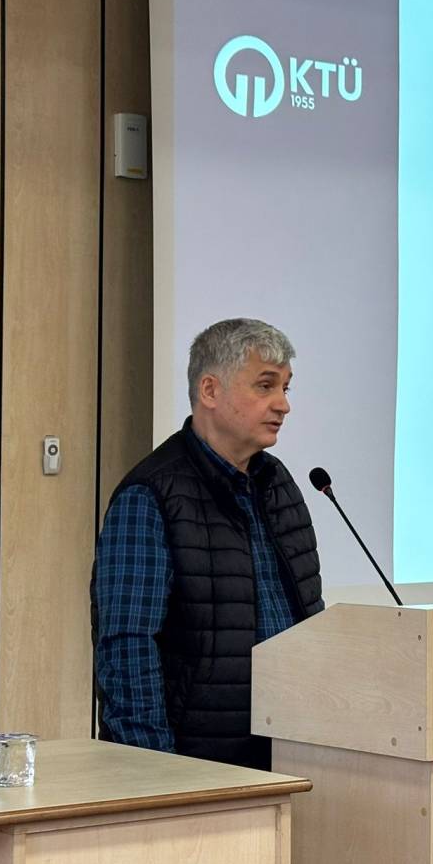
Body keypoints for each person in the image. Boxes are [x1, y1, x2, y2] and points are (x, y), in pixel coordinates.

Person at [91, 318, 323, 770]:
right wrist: (155, 771)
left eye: (286, 388)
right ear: (210, 390)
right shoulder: (152, 494)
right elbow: (127, 648)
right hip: (194, 765)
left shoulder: (278, 483)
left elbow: (306, 619)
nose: (283, 404)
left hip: (289, 754)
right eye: (265, 386)